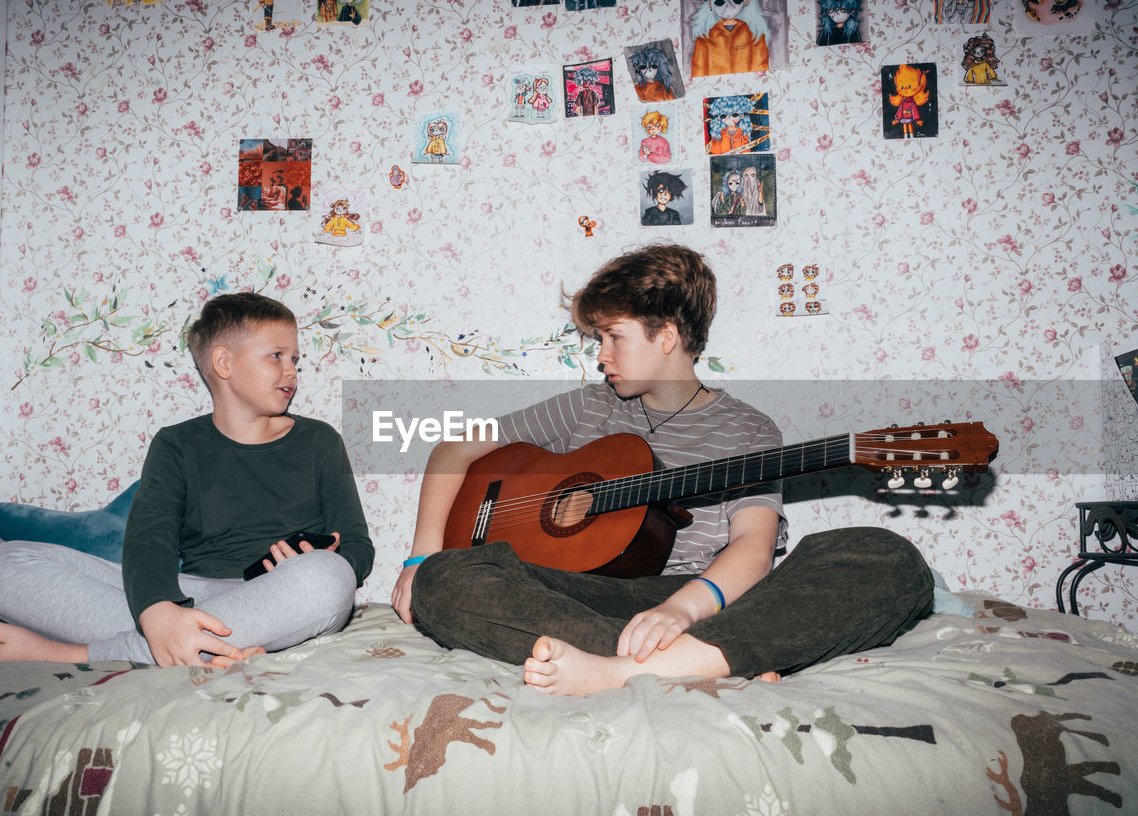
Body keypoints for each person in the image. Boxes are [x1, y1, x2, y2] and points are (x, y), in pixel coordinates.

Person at [391, 243, 932, 695]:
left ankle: (626, 669)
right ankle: (711, 662)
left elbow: (753, 547)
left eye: (613, 337)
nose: (601, 355)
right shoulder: (587, 407)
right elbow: (454, 451)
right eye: (598, 339)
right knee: (445, 579)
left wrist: (679, 610)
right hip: (584, 596)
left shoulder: (749, 431)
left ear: (666, 337)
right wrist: (421, 556)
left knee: (889, 558)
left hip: (700, 599)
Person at [0, 292, 374, 667]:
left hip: (277, 596)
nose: (292, 372)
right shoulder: (177, 444)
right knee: (3, 563)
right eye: (277, 356)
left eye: (295, 360)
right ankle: (193, 641)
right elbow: (150, 537)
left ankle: (78, 653)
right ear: (224, 363)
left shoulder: (319, 441)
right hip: (190, 596)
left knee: (329, 579)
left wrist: (320, 559)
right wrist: (157, 609)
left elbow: (357, 546)